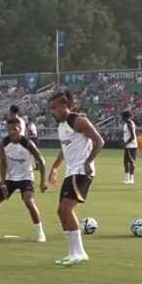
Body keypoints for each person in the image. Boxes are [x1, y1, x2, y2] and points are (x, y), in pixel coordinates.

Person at [46, 91, 104, 266]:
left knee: (66, 209)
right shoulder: (62, 125)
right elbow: (64, 149)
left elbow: (99, 141)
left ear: (65, 106)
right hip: (71, 171)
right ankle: (73, 252)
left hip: (81, 172)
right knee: (61, 211)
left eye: (54, 107)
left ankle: (79, 253)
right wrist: (55, 167)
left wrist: (88, 161)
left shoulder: (78, 121)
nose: (52, 111)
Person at [0, 118, 48, 241]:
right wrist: (3, 182)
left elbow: (41, 161)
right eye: (10, 129)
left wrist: (42, 182)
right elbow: (3, 163)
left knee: (29, 202)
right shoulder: (4, 143)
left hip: (26, 178)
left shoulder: (28, 143)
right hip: (10, 179)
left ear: (21, 130)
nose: (13, 132)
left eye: (16, 129)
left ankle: (40, 233)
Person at [121, 110, 137, 185]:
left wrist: (125, 143)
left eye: (123, 117)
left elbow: (132, 137)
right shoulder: (126, 124)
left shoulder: (129, 124)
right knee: (125, 162)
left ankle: (131, 179)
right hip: (128, 146)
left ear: (126, 117)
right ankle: (126, 178)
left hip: (131, 146)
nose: (122, 118)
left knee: (131, 162)